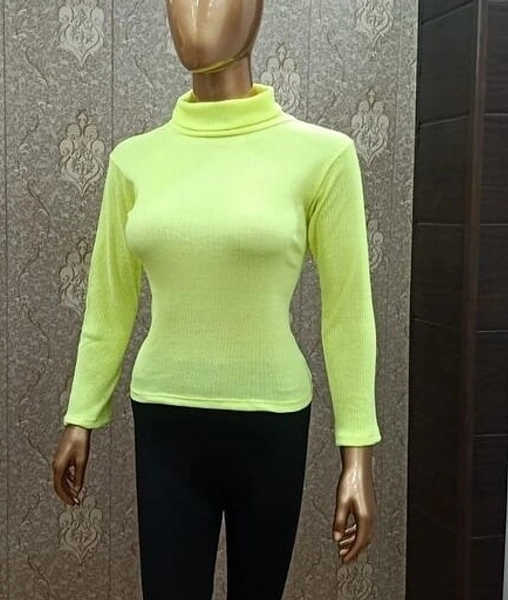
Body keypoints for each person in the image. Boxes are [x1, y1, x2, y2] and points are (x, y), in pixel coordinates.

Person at [52, 1, 381, 598]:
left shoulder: (323, 156)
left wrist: (357, 454)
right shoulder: (134, 160)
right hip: (166, 422)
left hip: (272, 425)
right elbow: (109, 304)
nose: (197, 13)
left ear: (256, 10)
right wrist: (81, 415)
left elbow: (348, 313)